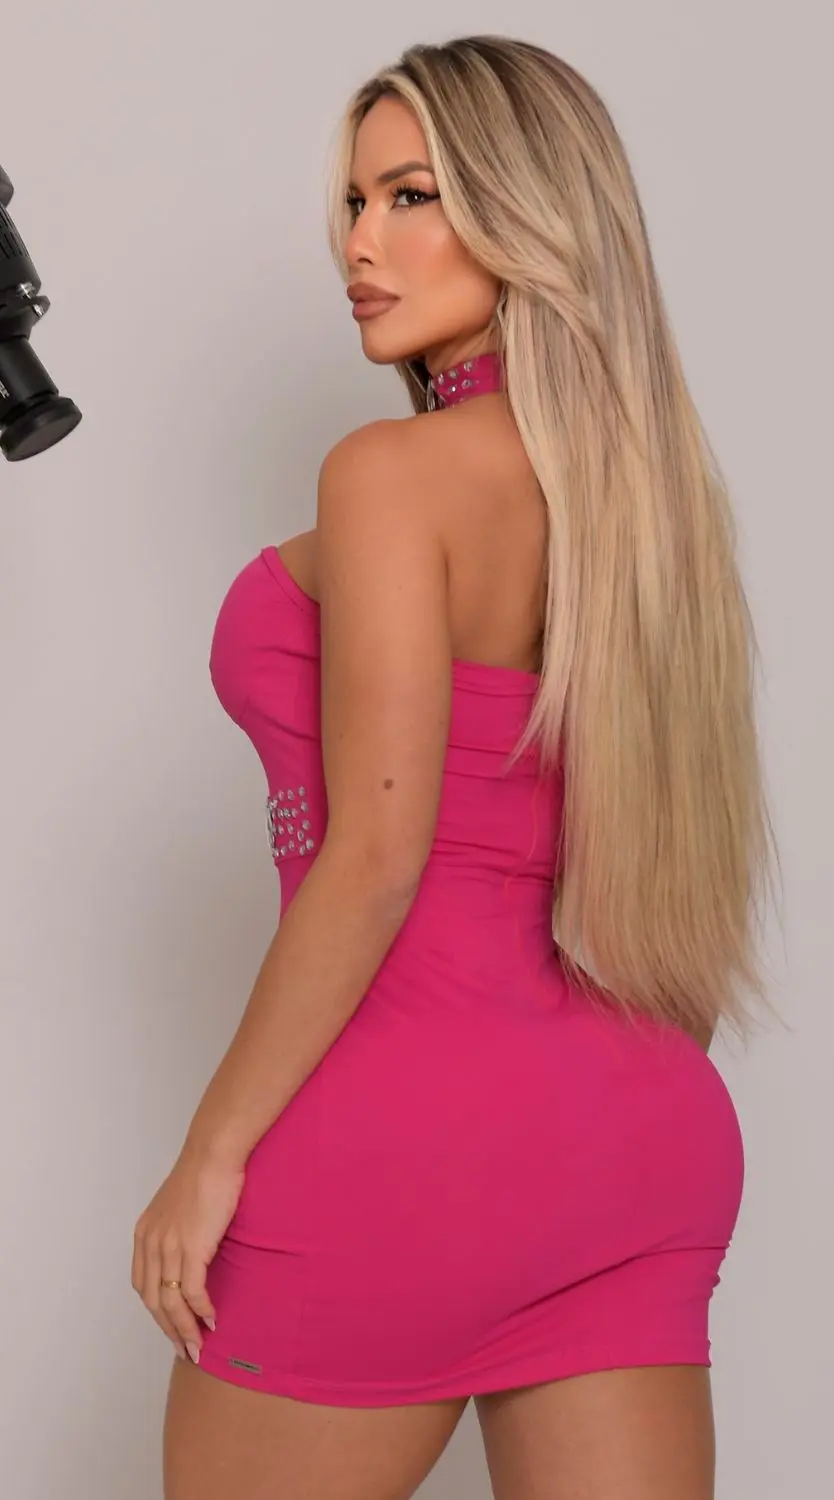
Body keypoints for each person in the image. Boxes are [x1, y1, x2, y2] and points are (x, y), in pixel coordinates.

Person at [131, 33, 779, 1500]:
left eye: (411, 196)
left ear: (525, 214)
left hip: (402, 1140)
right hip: (635, 1146)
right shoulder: (643, 502)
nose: (360, 245)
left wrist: (211, 1152)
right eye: (353, 204)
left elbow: (375, 858)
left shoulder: (387, 477)